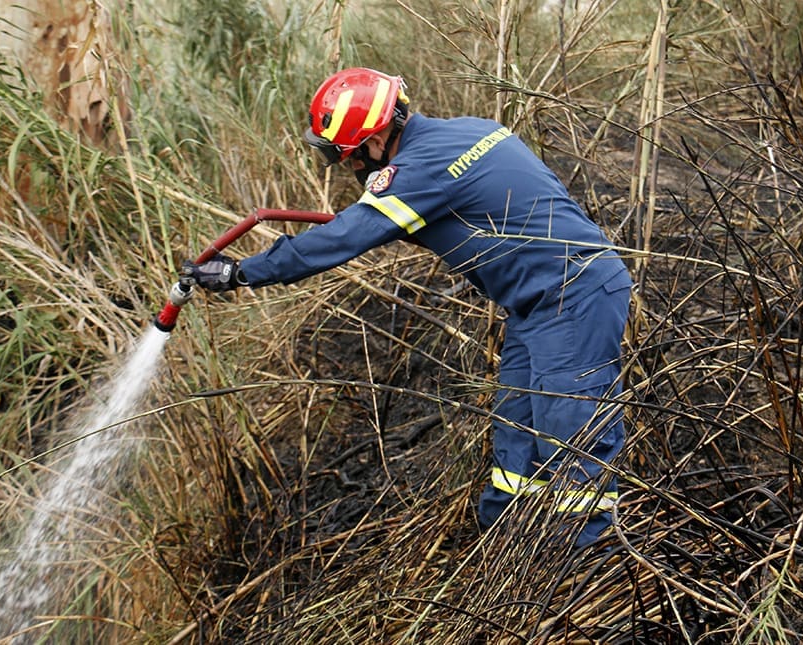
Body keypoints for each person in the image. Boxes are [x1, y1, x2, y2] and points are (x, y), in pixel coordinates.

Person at [182, 67, 632, 548]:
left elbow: (343, 238)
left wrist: (242, 272)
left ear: (375, 139)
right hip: (538, 305)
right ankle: (502, 549)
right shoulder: (472, 130)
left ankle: (582, 570)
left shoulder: (417, 169)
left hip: (572, 298)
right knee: (518, 432)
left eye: (345, 154)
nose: (347, 167)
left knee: (572, 440)